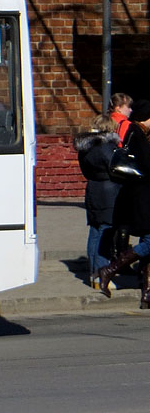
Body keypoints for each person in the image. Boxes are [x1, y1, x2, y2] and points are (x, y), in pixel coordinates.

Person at [99, 99, 150, 308]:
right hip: (142, 196)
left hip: (142, 195)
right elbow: (147, 165)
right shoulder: (136, 135)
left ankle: (146, 294)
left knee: (148, 239)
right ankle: (110, 269)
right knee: (149, 242)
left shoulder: (139, 134)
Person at [75, 115, 122, 289]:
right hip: (108, 191)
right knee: (106, 232)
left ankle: (94, 273)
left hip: (92, 188)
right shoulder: (106, 147)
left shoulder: (85, 147)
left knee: (94, 231)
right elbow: (115, 167)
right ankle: (103, 274)